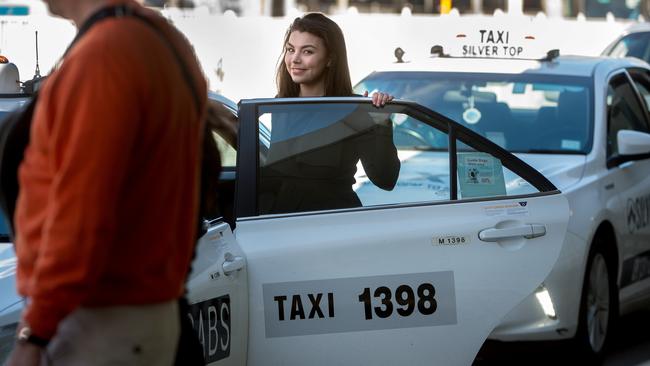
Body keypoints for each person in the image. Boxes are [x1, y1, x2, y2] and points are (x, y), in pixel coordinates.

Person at [6, 0, 207, 365]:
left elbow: (81, 217)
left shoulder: (104, 55)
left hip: (100, 320)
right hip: (135, 313)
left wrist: (33, 332)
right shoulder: (161, 39)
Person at [260, 13, 401, 214]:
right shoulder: (280, 105)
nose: (295, 59)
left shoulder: (355, 109)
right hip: (282, 225)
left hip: (333, 224)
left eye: (307, 51)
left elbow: (386, 179)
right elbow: (275, 175)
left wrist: (380, 123)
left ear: (330, 59)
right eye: (291, 49)